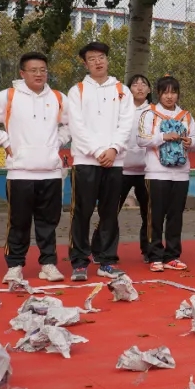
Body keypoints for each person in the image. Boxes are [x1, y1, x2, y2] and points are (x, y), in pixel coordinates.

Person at [0, 52, 69, 284]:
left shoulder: (58, 97)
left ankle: (48, 264)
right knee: (19, 222)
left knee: (48, 223)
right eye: (33, 70)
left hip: (51, 172)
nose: (39, 74)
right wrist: (4, 141)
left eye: (43, 70)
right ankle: (15, 265)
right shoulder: (9, 96)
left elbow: (73, 124)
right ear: (22, 73)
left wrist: (57, 141)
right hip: (20, 172)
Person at [66, 41, 133, 282]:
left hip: (114, 161)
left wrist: (114, 149)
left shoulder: (122, 90)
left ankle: (107, 261)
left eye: (101, 57)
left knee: (109, 213)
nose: (98, 62)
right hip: (85, 161)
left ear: (107, 59)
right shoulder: (77, 91)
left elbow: (126, 124)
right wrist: (96, 151)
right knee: (81, 212)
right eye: (92, 58)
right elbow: (76, 126)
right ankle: (79, 262)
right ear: (85, 64)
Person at [138, 75, 195, 272]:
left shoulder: (186, 116)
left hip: (181, 174)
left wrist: (191, 142)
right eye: (165, 92)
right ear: (158, 94)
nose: (170, 96)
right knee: (155, 216)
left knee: (175, 216)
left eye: (173, 92)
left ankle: (172, 255)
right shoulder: (149, 114)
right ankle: (154, 255)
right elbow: (141, 139)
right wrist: (164, 136)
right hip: (156, 173)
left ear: (178, 94)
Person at [120, 74, 152, 260]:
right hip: (122, 168)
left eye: (143, 84)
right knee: (110, 211)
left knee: (149, 213)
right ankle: (103, 250)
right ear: (128, 89)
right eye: (135, 84)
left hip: (147, 171)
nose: (139, 87)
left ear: (149, 89)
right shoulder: (121, 110)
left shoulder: (154, 112)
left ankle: (149, 250)